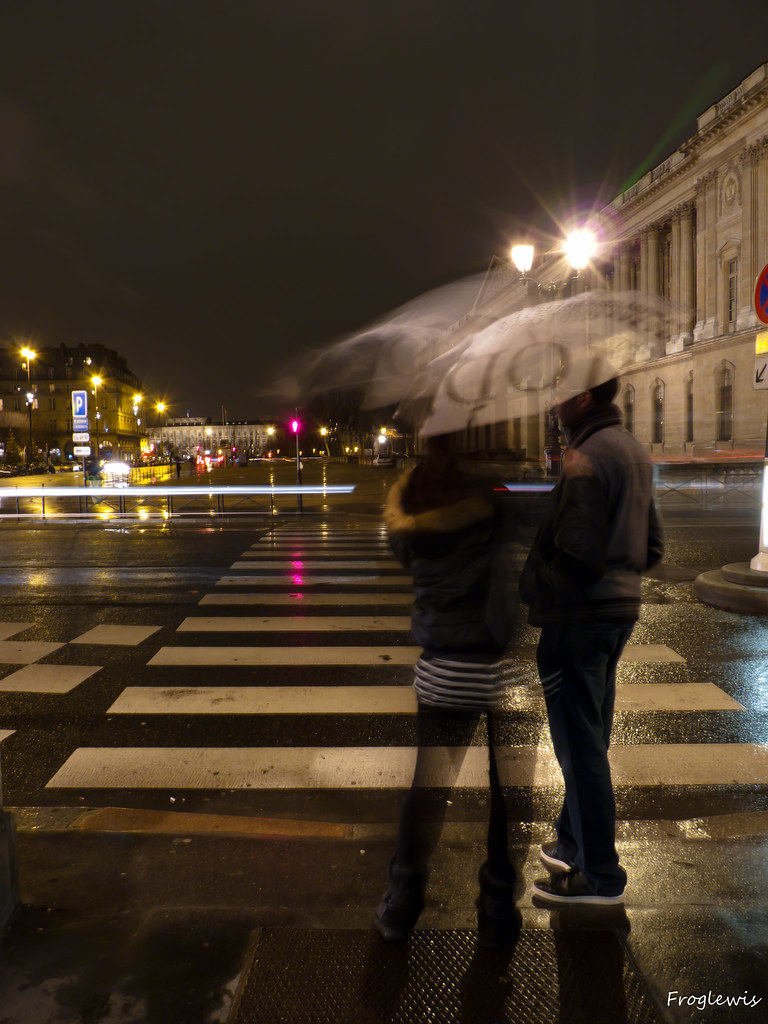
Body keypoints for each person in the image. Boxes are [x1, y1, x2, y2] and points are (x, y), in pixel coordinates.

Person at [519, 355, 663, 906]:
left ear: (583, 398)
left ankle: (600, 877)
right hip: (618, 613)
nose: (553, 400)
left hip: (577, 619)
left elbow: (576, 554)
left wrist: (534, 584)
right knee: (590, 736)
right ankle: (573, 845)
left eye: (560, 391)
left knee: (579, 748)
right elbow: (652, 546)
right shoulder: (632, 450)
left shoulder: (585, 456)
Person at [373, 433, 521, 947]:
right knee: (507, 797)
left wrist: (406, 486)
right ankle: (498, 909)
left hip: (441, 665)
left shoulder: (410, 506)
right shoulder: (492, 497)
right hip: (499, 665)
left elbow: (398, 548)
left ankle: (402, 902)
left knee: (428, 788)